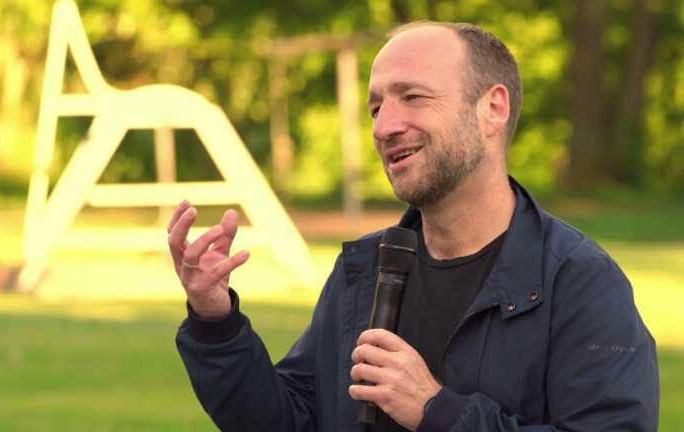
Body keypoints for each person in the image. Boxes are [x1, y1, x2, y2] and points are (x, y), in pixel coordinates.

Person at [169, 21, 659, 432]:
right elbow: (288, 419)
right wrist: (216, 323)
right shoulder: (363, 271)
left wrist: (437, 411)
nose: (384, 127)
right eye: (376, 107)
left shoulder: (578, 283)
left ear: (493, 109)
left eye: (413, 97)